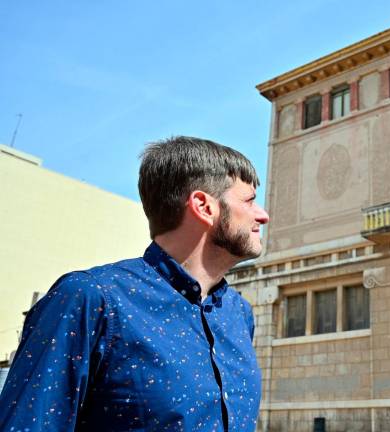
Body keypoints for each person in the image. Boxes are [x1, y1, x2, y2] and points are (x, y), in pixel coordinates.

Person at [0, 136, 270, 431]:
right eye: (250, 200)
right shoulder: (90, 298)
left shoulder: (239, 314)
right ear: (204, 207)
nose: (263, 215)